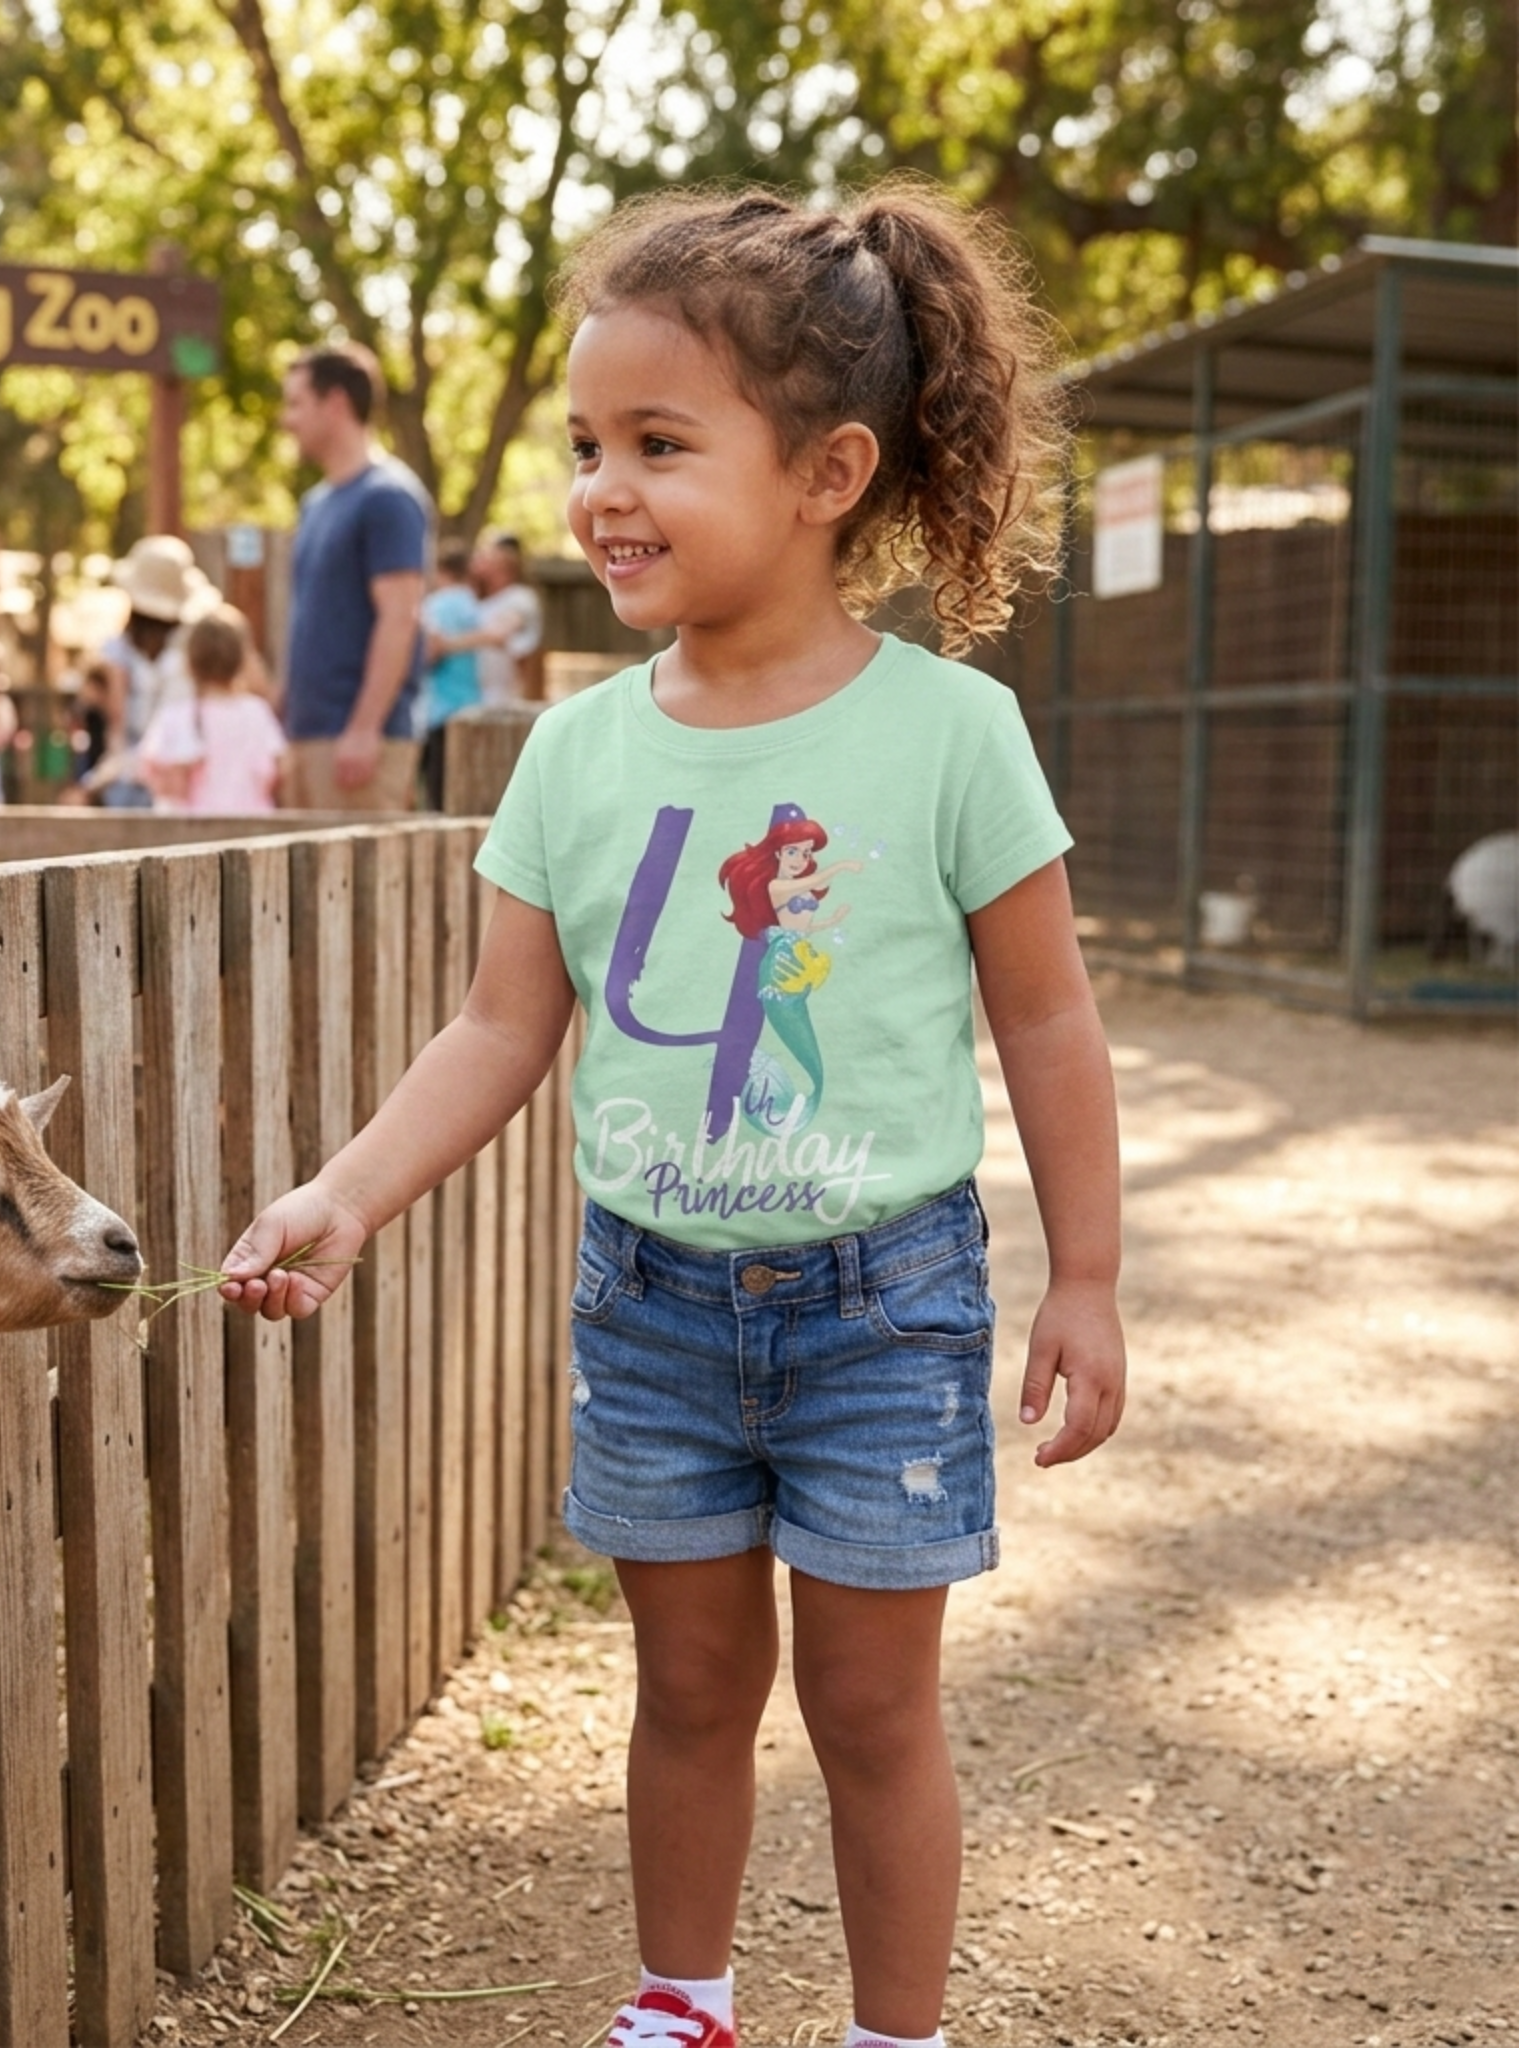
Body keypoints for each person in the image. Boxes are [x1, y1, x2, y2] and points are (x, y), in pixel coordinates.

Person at [217, 185, 1125, 2048]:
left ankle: (896, 2031)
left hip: (885, 1301)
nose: (599, 488)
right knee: (686, 1686)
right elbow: (496, 1026)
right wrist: (345, 1190)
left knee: (872, 1710)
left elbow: (1045, 1014)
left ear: (825, 469)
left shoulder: (949, 734)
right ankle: (679, 2003)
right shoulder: (577, 747)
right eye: (583, 445)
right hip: (648, 1303)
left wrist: (1085, 1277)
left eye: (655, 443)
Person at [278, 342, 430, 811]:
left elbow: (399, 618)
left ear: (337, 403)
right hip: (309, 737)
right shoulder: (316, 503)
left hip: (358, 741)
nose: (288, 419)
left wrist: (364, 729)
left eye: (296, 403)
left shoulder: (388, 497)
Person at [88, 533, 212, 808]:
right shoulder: (125, 654)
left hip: (166, 772)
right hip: (161, 773)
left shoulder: (182, 652)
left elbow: (117, 728)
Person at [137, 603, 286, 815]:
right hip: (251, 827)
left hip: (191, 832)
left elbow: (153, 774)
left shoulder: (175, 716)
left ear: (188, 663)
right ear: (241, 661)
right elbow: (278, 768)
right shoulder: (257, 712)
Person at [417, 536, 482, 808]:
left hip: (439, 709)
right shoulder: (472, 603)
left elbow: (430, 649)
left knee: (436, 795)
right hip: (469, 704)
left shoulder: (438, 605)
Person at [447, 528, 544, 708]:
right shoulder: (476, 601)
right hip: (473, 699)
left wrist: (447, 645)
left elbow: (498, 635)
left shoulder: (520, 597)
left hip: (509, 702)